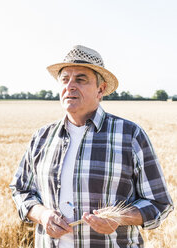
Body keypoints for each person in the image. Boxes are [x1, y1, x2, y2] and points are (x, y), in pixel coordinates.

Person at [10, 45, 173, 247]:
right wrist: (43, 215)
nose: (70, 86)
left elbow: (159, 204)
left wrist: (120, 217)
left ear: (101, 89)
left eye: (80, 79)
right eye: (64, 79)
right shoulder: (42, 137)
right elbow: (20, 191)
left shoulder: (129, 135)